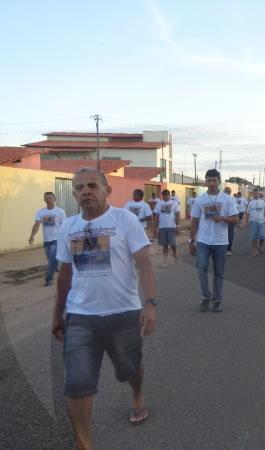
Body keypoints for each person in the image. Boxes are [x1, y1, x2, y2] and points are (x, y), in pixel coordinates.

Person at [52, 168, 156, 450]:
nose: (85, 191)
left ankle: (136, 393)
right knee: (77, 382)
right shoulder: (68, 227)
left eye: (92, 186)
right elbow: (64, 274)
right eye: (79, 187)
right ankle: (84, 444)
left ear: (106, 191)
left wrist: (149, 303)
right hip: (81, 318)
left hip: (123, 314)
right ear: (74, 193)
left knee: (129, 369)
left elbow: (144, 262)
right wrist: (57, 315)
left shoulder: (125, 220)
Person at [189, 169, 239, 313]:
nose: (211, 183)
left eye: (214, 180)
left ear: (219, 181)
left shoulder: (227, 199)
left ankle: (217, 300)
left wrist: (223, 218)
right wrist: (191, 241)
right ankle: (206, 297)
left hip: (221, 242)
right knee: (201, 269)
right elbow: (195, 221)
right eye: (209, 180)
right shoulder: (200, 199)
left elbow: (236, 219)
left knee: (219, 272)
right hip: (203, 241)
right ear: (205, 182)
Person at [29, 192, 67, 287]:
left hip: (57, 239)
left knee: (52, 259)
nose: (48, 200)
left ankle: (48, 279)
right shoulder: (41, 212)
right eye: (46, 198)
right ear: (44, 200)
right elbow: (37, 224)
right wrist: (32, 235)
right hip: (47, 240)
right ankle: (56, 265)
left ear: (54, 199)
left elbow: (65, 226)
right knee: (49, 257)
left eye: (50, 198)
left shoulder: (60, 211)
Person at [153, 190, 180, 268]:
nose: (165, 196)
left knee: (172, 244)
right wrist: (155, 228)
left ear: (169, 195)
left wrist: (178, 226)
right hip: (162, 227)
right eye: (164, 195)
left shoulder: (174, 203)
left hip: (172, 226)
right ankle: (164, 261)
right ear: (162, 195)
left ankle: (174, 253)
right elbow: (156, 216)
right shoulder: (159, 204)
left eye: (167, 195)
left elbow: (178, 214)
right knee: (165, 245)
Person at [246, 189, 265, 256]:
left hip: (262, 222)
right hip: (253, 222)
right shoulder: (250, 202)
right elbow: (247, 213)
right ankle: (255, 250)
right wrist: (247, 222)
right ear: (253, 194)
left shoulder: (263, 202)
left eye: (257, 193)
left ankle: (260, 246)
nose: (256, 194)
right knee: (253, 237)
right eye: (255, 193)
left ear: (259, 194)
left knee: (263, 236)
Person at [224, 187, 235, 256]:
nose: (227, 192)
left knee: (230, 235)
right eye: (226, 191)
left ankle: (228, 249)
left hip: (230, 219)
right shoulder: (220, 198)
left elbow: (235, 209)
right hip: (222, 220)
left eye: (228, 191)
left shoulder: (233, 199)